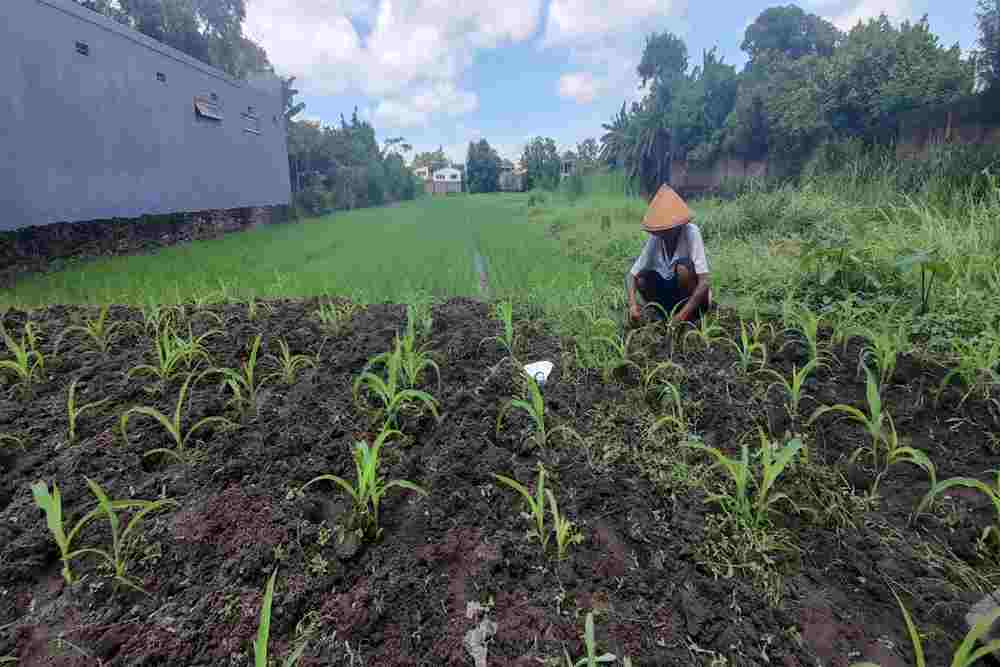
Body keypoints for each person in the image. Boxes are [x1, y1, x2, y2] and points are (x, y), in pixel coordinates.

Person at [627, 185, 712, 325]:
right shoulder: (657, 238)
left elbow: (704, 282)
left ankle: (691, 317)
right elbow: (631, 275)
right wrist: (632, 305)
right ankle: (664, 314)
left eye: (668, 230)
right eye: (661, 231)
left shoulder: (691, 232)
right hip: (671, 294)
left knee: (683, 269)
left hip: (693, 300)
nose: (663, 234)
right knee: (641, 278)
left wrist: (682, 315)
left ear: (678, 226)